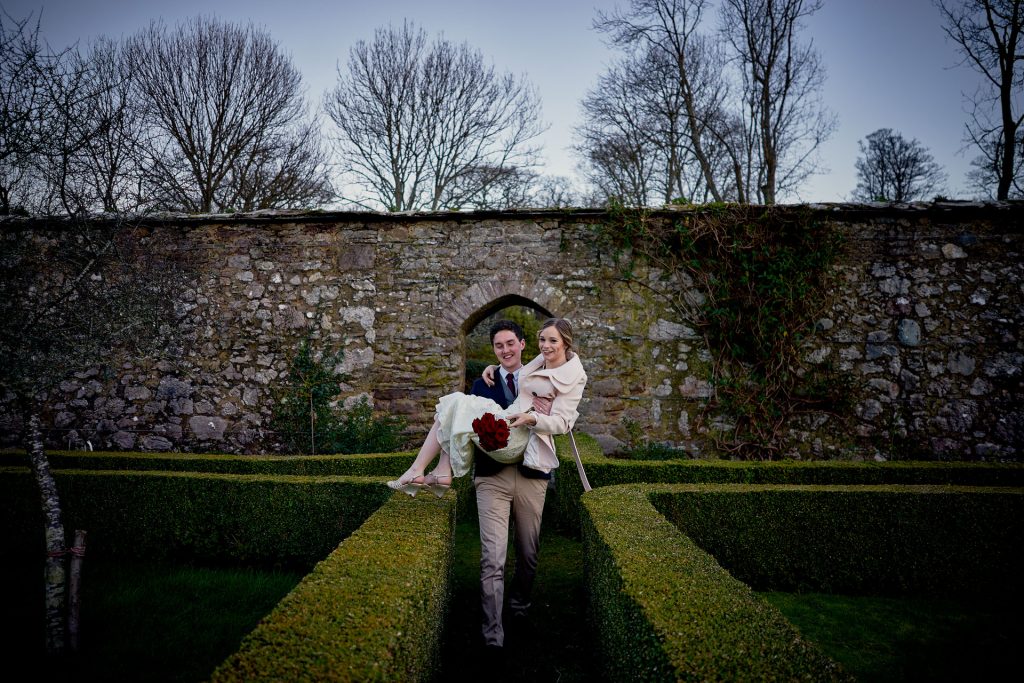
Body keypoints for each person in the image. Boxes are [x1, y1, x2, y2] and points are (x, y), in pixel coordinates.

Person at [386, 318, 588, 651]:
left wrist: (534, 417)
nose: (506, 350)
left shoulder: (547, 375)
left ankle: (520, 606)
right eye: (499, 346)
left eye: (512, 344)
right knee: (492, 557)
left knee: (528, 554)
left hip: (531, 474)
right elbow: (462, 428)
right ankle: (492, 632)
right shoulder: (484, 381)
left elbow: (563, 420)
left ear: (523, 345)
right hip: (491, 477)